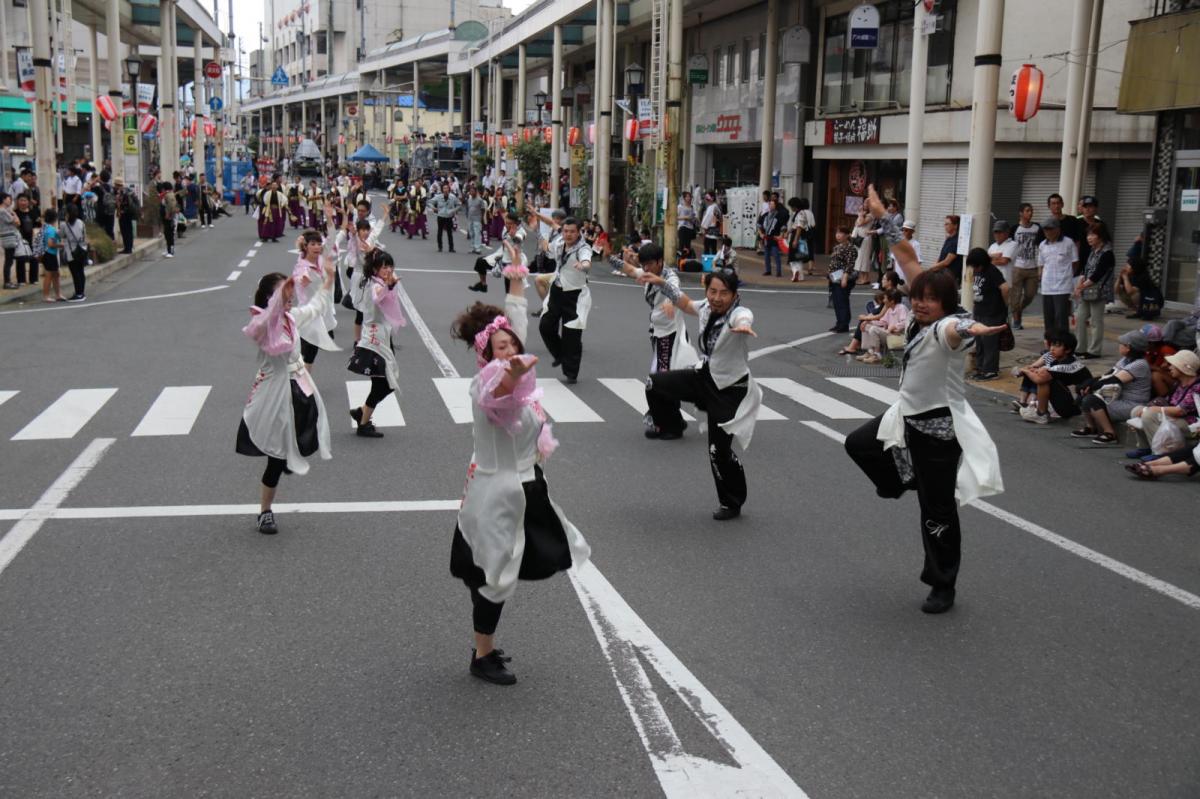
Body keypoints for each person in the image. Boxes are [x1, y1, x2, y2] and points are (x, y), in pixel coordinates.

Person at [844, 185, 1005, 615]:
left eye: (930, 300)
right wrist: (884, 217)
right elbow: (909, 260)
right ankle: (900, 480)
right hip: (905, 417)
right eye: (919, 298)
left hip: (938, 427)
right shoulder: (921, 311)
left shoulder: (947, 327)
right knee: (857, 444)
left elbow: (957, 332)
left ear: (947, 304)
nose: (921, 304)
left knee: (935, 512)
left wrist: (975, 330)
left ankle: (942, 584)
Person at [448, 303, 591, 685]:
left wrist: (515, 276)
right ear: (485, 354)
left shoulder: (522, 388)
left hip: (523, 489)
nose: (509, 352)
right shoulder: (488, 383)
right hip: (499, 494)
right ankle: (482, 654)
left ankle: (484, 646)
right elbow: (498, 395)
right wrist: (510, 374)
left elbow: (519, 400)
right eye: (500, 347)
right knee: (495, 577)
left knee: (504, 570)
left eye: (511, 344)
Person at [642, 268, 761, 520]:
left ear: (734, 294)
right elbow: (684, 303)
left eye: (724, 293)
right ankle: (672, 425)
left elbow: (744, 316)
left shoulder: (737, 313)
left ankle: (732, 501)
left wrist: (744, 326)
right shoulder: (707, 306)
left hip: (729, 389)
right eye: (713, 291)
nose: (717, 298)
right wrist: (662, 282)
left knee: (719, 451)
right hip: (703, 377)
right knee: (655, 384)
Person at [237, 259, 337, 535]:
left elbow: (316, 306)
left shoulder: (291, 319)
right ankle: (265, 512)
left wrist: (328, 279)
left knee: (307, 432)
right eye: (285, 296)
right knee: (276, 458)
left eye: (291, 296)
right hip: (274, 394)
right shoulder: (261, 326)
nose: (290, 300)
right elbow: (269, 317)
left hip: (299, 386)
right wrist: (281, 296)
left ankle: (290, 457)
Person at [613, 242, 699, 438]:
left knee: (660, 381)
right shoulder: (646, 273)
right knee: (662, 380)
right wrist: (612, 258)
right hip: (658, 334)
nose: (646, 268)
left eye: (650, 263)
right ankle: (669, 421)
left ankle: (672, 425)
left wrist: (670, 301)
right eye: (644, 264)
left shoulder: (670, 277)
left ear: (661, 261)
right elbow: (629, 269)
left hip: (670, 335)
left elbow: (674, 290)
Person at [346, 251, 408, 438]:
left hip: (382, 336)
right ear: (375, 269)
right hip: (374, 340)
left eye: (390, 266)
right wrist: (388, 285)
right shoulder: (375, 285)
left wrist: (389, 283)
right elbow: (376, 297)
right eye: (384, 267)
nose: (388, 270)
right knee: (385, 383)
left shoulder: (379, 282)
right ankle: (363, 422)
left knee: (384, 382)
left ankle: (362, 414)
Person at [1073, 329, 1154, 444]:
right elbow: (1107, 375)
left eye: (1121, 344)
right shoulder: (1125, 360)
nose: (1119, 346)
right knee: (1084, 397)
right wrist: (1087, 384)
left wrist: (1091, 387)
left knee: (1092, 400)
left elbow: (1114, 380)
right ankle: (1091, 427)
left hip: (1133, 404)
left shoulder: (1140, 364)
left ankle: (1110, 433)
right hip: (1119, 399)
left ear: (1128, 347)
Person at [538, 217, 592, 384]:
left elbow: (586, 261)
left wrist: (582, 265)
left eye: (572, 232)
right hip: (557, 289)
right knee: (545, 326)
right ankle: (560, 355)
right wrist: (544, 242)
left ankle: (571, 372)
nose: (568, 234)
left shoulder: (583, 248)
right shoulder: (560, 242)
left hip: (575, 295)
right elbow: (549, 250)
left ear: (578, 232)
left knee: (572, 335)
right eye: (566, 231)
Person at [1125, 350, 1200, 458]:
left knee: (1148, 415)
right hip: (1175, 417)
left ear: (1182, 368)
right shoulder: (1179, 383)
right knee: (1136, 410)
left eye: (1173, 365)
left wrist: (1151, 410)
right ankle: (1145, 447)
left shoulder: (1197, 387)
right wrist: (1149, 408)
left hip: (1191, 424)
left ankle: (1160, 453)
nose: (1170, 368)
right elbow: (1168, 402)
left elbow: (1180, 411)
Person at [1016, 330, 1092, 424]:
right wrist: (1032, 370)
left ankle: (1041, 414)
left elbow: (1039, 379)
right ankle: (1032, 404)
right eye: (1052, 345)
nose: (1052, 349)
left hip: (1076, 408)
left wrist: (1025, 370)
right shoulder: (1058, 360)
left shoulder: (1067, 364)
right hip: (1071, 402)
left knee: (1044, 380)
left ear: (1068, 350)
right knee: (1040, 374)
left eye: (1057, 346)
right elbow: (1040, 371)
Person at [292, 231, 340, 370]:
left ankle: (299, 379)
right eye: (313, 244)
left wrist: (330, 219)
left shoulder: (321, 259)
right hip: (309, 313)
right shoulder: (303, 266)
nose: (317, 247)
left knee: (318, 344)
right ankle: (301, 383)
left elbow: (331, 240)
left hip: (324, 310)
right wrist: (302, 280)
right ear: (306, 246)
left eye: (319, 244)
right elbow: (299, 277)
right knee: (309, 351)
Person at [1074, 221, 1115, 360]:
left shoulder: (1107, 253)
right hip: (1087, 290)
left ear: (1101, 236)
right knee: (1080, 317)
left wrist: (1081, 286)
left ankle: (1094, 351)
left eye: (1092, 234)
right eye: (1088, 234)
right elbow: (1085, 269)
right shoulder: (1092, 251)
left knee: (1096, 321)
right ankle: (1080, 349)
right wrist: (1081, 282)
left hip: (1099, 291)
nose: (1089, 237)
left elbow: (1098, 274)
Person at [967, 247, 1009, 381]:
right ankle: (980, 368)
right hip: (980, 310)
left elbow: (1005, 288)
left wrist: (1005, 304)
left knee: (990, 342)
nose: (975, 268)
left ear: (982, 263)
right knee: (979, 341)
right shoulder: (977, 270)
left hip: (992, 311)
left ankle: (991, 371)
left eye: (976, 265)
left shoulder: (992, 271)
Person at [1036, 217, 1076, 334]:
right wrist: (1040, 277)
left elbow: (1075, 262)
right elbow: (1041, 264)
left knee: (1061, 318)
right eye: (1045, 230)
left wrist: (1068, 277)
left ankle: (1062, 345)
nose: (1047, 232)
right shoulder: (1043, 245)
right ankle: (1050, 345)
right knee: (1048, 318)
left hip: (1063, 287)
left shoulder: (1068, 242)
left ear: (1058, 229)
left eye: (1050, 229)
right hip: (1047, 286)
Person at [469, 212, 525, 293]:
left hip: (513, 260)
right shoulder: (506, 228)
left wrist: (513, 236)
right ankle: (483, 284)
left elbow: (518, 240)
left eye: (510, 223)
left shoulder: (521, 231)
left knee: (509, 289)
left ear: (516, 223)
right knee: (480, 262)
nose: (507, 225)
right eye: (506, 222)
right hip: (502, 254)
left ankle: (511, 302)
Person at [1009, 204, 1041, 330]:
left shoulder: (1037, 228)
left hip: (1032, 266)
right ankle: (1017, 320)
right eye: (1027, 211)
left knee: (1030, 295)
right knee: (1015, 296)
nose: (1030, 213)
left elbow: (1042, 245)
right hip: (1017, 267)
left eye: (1031, 210)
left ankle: (1019, 310)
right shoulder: (1015, 228)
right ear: (1021, 213)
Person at [856, 289, 909, 364]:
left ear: (892, 301)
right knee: (867, 326)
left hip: (898, 335)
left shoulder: (902, 308)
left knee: (874, 329)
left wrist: (894, 327)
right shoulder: (890, 309)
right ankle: (870, 352)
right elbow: (883, 322)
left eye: (885, 298)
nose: (883, 301)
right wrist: (869, 322)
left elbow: (905, 322)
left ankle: (877, 355)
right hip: (889, 333)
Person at [828, 225, 859, 333]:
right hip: (834, 277)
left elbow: (850, 264)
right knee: (836, 301)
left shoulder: (851, 248)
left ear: (847, 235)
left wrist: (845, 277)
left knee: (842, 300)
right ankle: (839, 322)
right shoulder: (837, 247)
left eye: (841, 233)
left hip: (844, 277)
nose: (838, 235)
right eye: (837, 233)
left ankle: (844, 324)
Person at [61, 204, 89, 302]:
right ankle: (82, 292)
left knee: (75, 273)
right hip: (82, 249)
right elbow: (85, 235)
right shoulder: (81, 222)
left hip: (71, 252)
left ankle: (78, 294)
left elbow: (62, 235)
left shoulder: (64, 225)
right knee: (81, 272)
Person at [758, 196, 789, 278]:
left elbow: (783, 226)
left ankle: (778, 271)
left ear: (776, 205)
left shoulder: (779, 215)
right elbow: (759, 225)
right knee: (766, 255)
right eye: (770, 204)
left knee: (776, 255)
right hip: (766, 238)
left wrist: (781, 235)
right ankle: (768, 270)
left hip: (774, 238)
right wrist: (760, 233)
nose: (771, 206)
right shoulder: (765, 215)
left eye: (772, 204)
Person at [787, 197, 815, 281]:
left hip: (797, 236)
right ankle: (800, 276)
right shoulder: (801, 213)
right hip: (802, 237)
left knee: (792, 257)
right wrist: (788, 232)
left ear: (795, 206)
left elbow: (799, 227)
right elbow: (795, 225)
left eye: (791, 206)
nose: (791, 208)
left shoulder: (800, 214)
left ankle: (795, 271)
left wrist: (795, 240)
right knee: (799, 257)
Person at [930, 215, 963, 285]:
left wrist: (931, 268)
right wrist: (935, 266)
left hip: (950, 277)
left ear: (955, 226)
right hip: (942, 275)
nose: (945, 226)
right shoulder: (948, 239)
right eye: (944, 224)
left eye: (947, 224)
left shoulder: (956, 241)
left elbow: (947, 261)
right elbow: (941, 256)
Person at [40, 208, 64, 303]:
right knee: (49, 275)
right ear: (55, 218)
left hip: (48, 254)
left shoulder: (46, 227)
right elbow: (50, 244)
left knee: (55, 274)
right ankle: (46, 296)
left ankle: (58, 294)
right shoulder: (51, 230)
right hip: (50, 253)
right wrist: (60, 245)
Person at [431, 183, 461, 253]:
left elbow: (459, 204)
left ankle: (451, 248)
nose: (445, 190)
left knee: (449, 233)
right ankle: (440, 247)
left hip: (449, 217)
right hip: (440, 216)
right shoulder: (438, 197)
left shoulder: (453, 197)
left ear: (449, 189)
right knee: (440, 232)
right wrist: (433, 208)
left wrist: (454, 211)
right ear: (442, 190)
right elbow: (429, 202)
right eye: (444, 188)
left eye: (447, 188)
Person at [0, 193, 19, 289]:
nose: (10, 201)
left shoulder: (4, 211)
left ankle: (8, 281)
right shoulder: (3, 211)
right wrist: (14, 214)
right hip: (8, 237)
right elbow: (16, 222)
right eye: (8, 199)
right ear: (3, 200)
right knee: (9, 260)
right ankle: (7, 282)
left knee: (9, 260)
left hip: (7, 236)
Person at [988, 221, 1016, 285]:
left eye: (1000, 232)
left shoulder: (1012, 244)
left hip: (1005, 282)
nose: (997, 234)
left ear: (1007, 232)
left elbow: (1004, 261)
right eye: (995, 232)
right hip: (991, 282)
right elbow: (984, 261)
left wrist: (989, 258)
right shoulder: (992, 246)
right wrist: (993, 257)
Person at [465, 185, 486, 254]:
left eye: (473, 191)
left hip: (477, 219)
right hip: (470, 219)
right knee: (471, 233)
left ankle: (478, 248)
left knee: (477, 233)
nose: (471, 192)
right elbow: (468, 208)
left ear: (476, 192)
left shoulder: (480, 200)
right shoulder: (469, 199)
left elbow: (483, 209)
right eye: (470, 191)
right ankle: (472, 247)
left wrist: (482, 218)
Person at [677, 191, 698, 256]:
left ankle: (686, 260)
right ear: (684, 198)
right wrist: (685, 217)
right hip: (682, 227)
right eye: (687, 197)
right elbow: (676, 217)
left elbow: (695, 217)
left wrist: (694, 219)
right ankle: (680, 259)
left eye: (690, 197)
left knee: (688, 245)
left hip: (690, 228)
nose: (689, 198)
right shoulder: (680, 206)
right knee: (681, 245)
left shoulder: (692, 207)